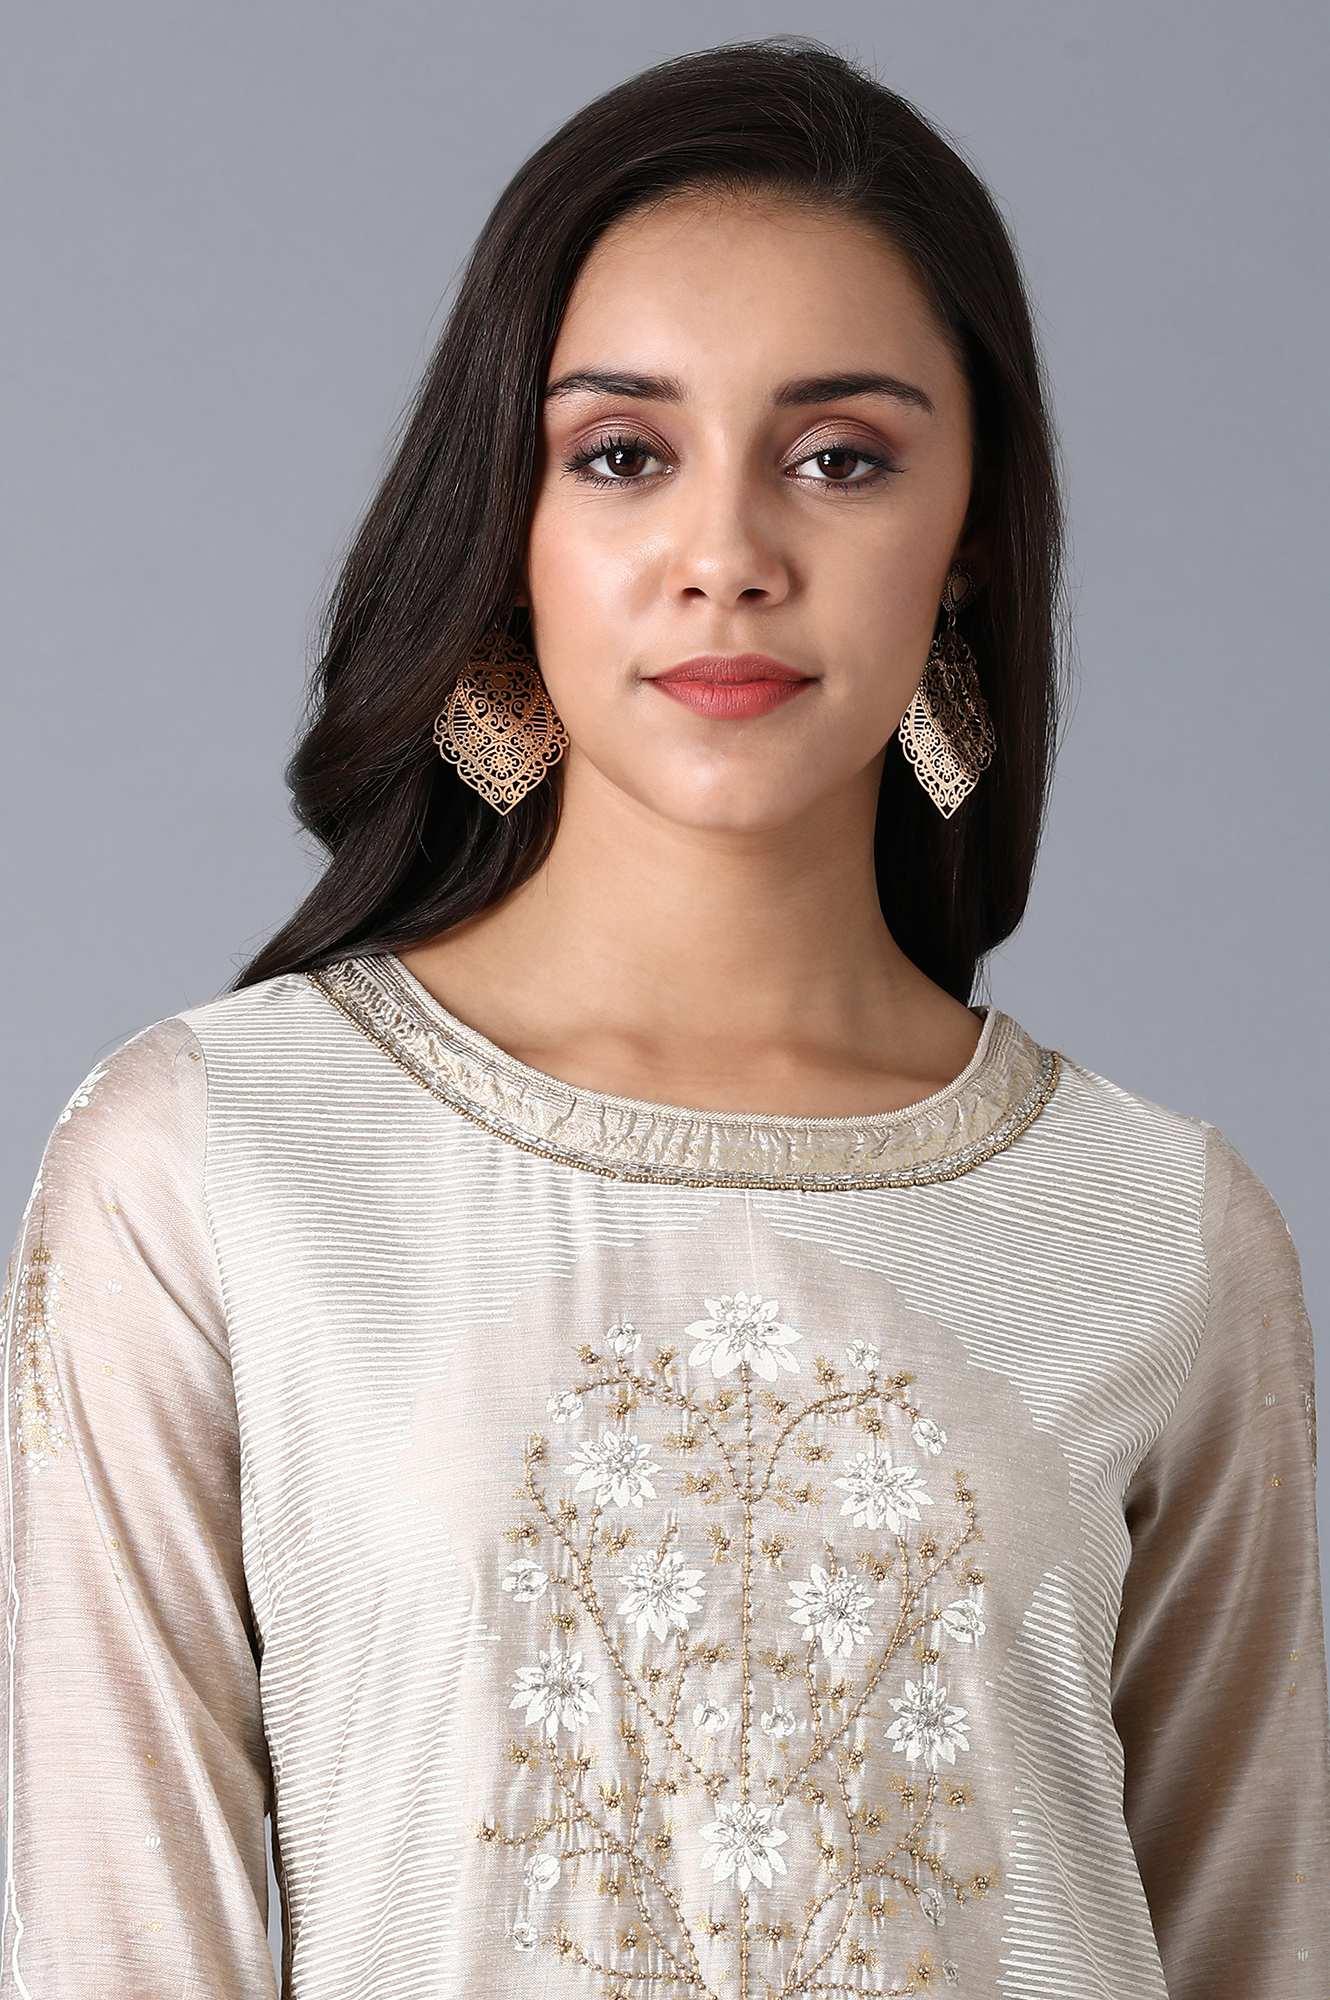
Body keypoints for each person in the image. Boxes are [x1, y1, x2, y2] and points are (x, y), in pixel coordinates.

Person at [2, 35, 1326, 2000]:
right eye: (623, 454)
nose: (728, 557)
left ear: (966, 536)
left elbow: (1252, 1943)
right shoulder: (214, 1166)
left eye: (839, 457)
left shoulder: (1155, 1228)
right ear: (508, 527)